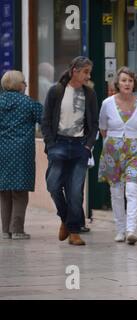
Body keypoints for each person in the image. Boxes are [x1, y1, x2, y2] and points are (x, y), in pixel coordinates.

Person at [41, 56, 99, 246]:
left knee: (75, 191)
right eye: (85, 72)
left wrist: (88, 145)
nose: (88, 76)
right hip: (58, 144)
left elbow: (94, 123)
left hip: (79, 146)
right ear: (74, 70)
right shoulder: (56, 91)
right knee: (53, 185)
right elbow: (46, 119)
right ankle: (65, 218)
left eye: (89, 72)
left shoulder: (89, 94)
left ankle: (74, 231)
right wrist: (50, 144)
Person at [98, 67, 137, 245]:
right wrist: (114, 143)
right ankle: (120, 229)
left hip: (135, 149)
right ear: (117, 84)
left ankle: (131, 230)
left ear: (134, 83)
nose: (127, 84)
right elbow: (103, 128)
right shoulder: (107, 103)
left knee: (132, 189)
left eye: (130, 80)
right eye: (124, 80)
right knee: (116, 191)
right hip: (113, 150)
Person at [0, 71, 43, 240]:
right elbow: (44, 119)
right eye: (24, 82)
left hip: (2, 150)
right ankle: (17, 229)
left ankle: (5, 231)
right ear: (18, 85)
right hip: (21, 152)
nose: (25, 84)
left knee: (4, 192)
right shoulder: (28, 103)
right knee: (19, 191)